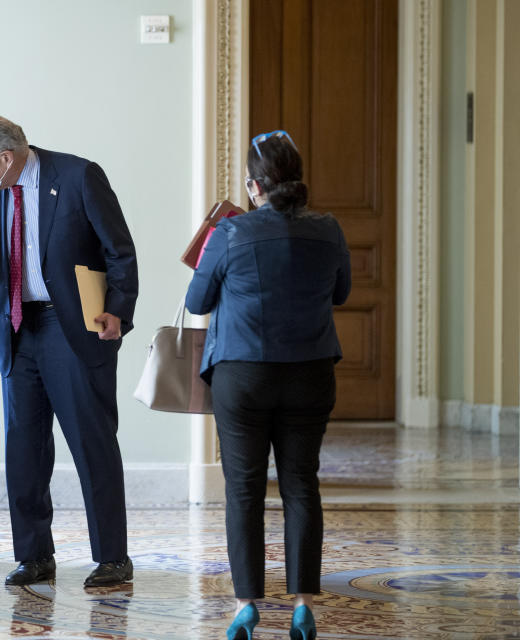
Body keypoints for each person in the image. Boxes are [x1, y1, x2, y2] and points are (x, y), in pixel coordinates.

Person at [0, 114, 138, 587]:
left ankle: (112, 558)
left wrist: (118, 311)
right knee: (23, 447)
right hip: (18, 330)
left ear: (6, 157)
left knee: (91, 443)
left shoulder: (78, 175)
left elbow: (120, 251)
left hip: (74, 328)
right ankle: (34, 556)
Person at [185, 130, 351, 640]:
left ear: (254, 186)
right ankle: (303, 604)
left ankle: (246, 607)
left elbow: (197, 302)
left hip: (244, 375)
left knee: (244, 489)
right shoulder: (329, 229)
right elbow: (340, 293)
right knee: (302, 485)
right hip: (310, 372)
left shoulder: (231, 234)